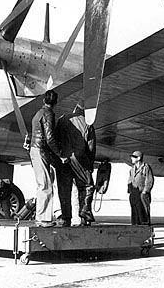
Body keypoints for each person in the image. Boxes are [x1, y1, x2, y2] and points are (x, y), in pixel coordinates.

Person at [55, 101, 96, 226]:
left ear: (75, 109)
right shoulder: (87, 123)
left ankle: (66, 218)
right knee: (87, 186)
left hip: (63, 159)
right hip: (80, 159)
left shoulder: (63, 119)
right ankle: (84, 214)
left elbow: (55, 138)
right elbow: (91, 147)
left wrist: (58, 156)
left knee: (64, 189)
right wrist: (89, 165)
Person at [30, 89, 63, 227]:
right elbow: (49, 137)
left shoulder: (38, 113)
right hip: (41, 150)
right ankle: (43, 219)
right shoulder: (48, 114)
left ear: (44, 100)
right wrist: (59, 153)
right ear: (55, 103)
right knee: (46, 185)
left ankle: (40, 217)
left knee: (41, 184)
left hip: (34, 149)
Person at [127, 150, 154, 226]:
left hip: (142, 194)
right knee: (135, 214)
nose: (131, 159)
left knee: (144, 213)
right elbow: (130, 179)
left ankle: (145, 229)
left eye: (133, 157)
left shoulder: (146, 167)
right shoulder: (132, 169)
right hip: (134, 194)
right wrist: (130, 191)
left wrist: (145, 191)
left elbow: (149, 180)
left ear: (138, 158)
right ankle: (135, 229)